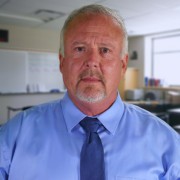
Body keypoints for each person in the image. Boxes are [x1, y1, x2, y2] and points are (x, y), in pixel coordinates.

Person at [0, 4, 180, 180]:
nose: (92, 61)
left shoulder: (166, 143)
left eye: (105, 50)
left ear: (123, 65)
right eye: (79, 49)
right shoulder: (13, 137)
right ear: (62, 63)